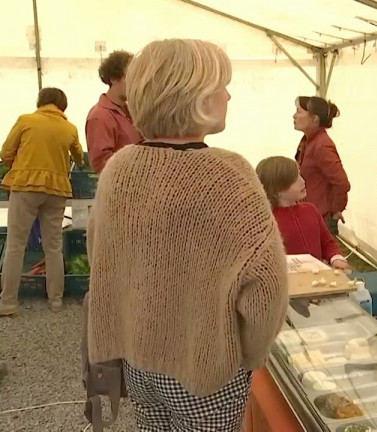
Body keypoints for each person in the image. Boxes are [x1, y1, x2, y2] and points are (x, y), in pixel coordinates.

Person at [86, 39, 288, 431]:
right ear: (195, 97)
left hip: (138, 361)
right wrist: (252, 355)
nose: (228, 95)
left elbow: (103, 261)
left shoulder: (119, 169)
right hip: (207, 369)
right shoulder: (230, 175)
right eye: (221, 86)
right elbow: (266, 290)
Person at [0, 88, 85, 316]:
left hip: (26, 186)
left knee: (16, 245)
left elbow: (6, 152)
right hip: (56, 190)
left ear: (40, 102)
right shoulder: (69, 128)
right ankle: (55, 300)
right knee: (53, 246)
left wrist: (19, 163)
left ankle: (8, 302)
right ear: (62, 107)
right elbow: (79, 157)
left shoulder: (26, 120)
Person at [256, 156, 349, 270]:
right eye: (294, 179)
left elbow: (327, 242)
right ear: (277, 190)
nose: (303, 181)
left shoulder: (310, 210)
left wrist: (336, 258)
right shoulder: (266, 222)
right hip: (289, 284)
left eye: (300, 175)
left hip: (318, 279)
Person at [293, 96, 350, 235]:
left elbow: (341, 183)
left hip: (319, 220)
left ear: (315, 119)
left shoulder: (321, 145)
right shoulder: (308, 141)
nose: (294, 115)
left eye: (299, 111)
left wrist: (334, 212)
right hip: (308, 216)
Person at [85, 50, 142, 173]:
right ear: (113, 79)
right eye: (130, 77)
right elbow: (101, 163)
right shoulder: (100, 116)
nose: (135, 83)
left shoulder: (130, 112)